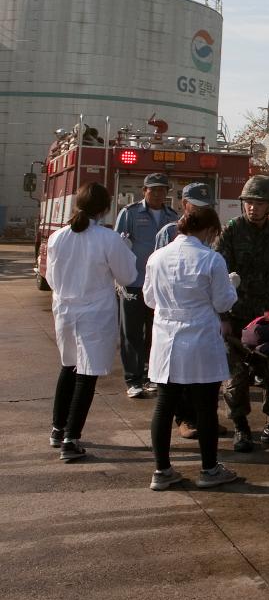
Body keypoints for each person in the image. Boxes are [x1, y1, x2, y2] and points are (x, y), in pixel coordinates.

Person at [143, 205, 241, 491]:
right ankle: (209, 469)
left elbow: (149, 298)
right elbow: (223, 302)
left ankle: (162, 470)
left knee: (164, 406)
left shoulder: (156, 257)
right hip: (199, 339)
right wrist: (233, 284)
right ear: (210, 231)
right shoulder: (211, 259)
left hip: (166, 338)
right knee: (205, 407)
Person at [46, 182, 137, 461]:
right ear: (106, 209)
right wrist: (127, 250)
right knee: (86, 374)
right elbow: (128, 277)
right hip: (94, 312)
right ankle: (71, 440)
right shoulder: (108, 239)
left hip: (65, 310)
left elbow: (50, 278)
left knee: (69, 367)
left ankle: (58, 430)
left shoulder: (57, 237)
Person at [214, 175, 269, 453]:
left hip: (268, 319)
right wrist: (223, 317)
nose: (252, 208)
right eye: (249, 202)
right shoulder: (231, 232)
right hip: (237, 316)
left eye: (259, 203)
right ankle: (241, 427)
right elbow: (218, 276)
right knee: (235, 379)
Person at [155, 181, 221, 439]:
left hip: (203, 321)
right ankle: (186, 419)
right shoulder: (169, 233)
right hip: (176, 319)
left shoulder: (212, 233)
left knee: (203, 383)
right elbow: (157, 281)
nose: (203, 211)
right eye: (198, 206)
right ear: (184, 205)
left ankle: (204, 421)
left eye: (207, 207)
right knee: (177, 383)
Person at [114, 172, 179, 398]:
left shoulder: (173, 216)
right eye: (154, 189)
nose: (159, 193)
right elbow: (118, 247)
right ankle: (133, 380)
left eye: (163, 189)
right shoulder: (129, 213)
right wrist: (119, 278)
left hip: (161, 286)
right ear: (144, 191)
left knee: (156, 332)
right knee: (131, 332)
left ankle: (152, 376)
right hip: (133, 282)